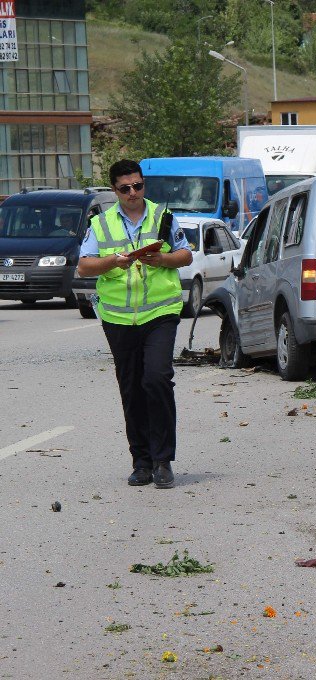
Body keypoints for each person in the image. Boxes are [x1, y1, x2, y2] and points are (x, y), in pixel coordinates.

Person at [77, 159, 192, 489]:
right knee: (131, 387)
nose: (132, 193)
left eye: (137, 186)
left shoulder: (162, 217)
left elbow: (185, 255)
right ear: (114, 190)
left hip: (160, 312)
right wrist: (113, 261)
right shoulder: (100, 224)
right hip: (118, 317)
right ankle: (141, 462)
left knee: (156, 379)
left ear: (144, 185)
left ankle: (163, 460)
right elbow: (85, 267)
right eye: (125, 188)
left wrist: (162, 259)